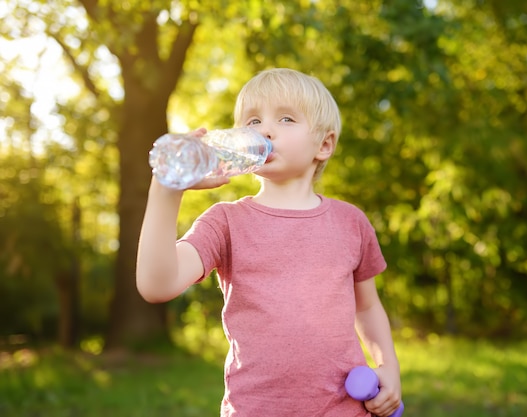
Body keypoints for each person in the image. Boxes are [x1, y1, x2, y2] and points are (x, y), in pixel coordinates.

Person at [136, 68, 402, 417]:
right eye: (253, 121)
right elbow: (157, 284)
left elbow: (366, 307)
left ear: (324, 145)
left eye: (286, 118)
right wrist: (168, 188)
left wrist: (388, 367)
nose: (264, 130)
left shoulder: (350, 222)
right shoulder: (226, 222)